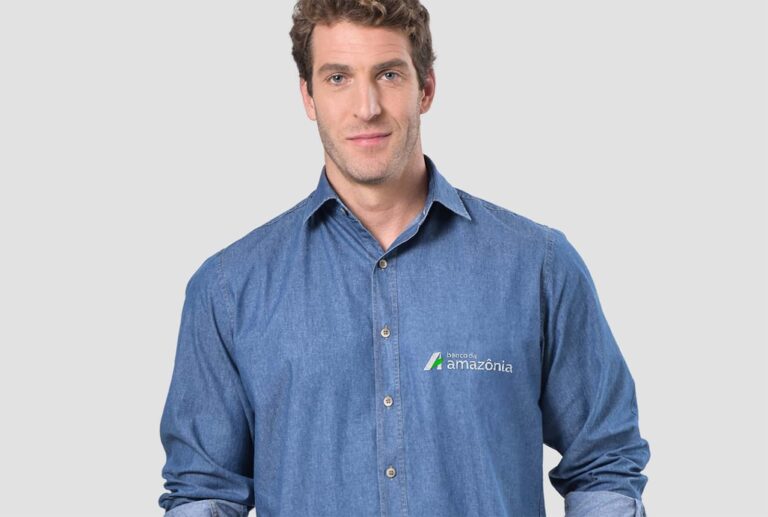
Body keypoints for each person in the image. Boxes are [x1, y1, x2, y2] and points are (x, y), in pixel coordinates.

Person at [157, 1, 651, 515]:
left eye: (389, 74)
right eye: (338, 78)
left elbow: (604, 463)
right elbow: (204, 491)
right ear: (308, 96)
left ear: (426, 88)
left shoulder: (538, 268)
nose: (366, 107)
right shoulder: (228, 289)